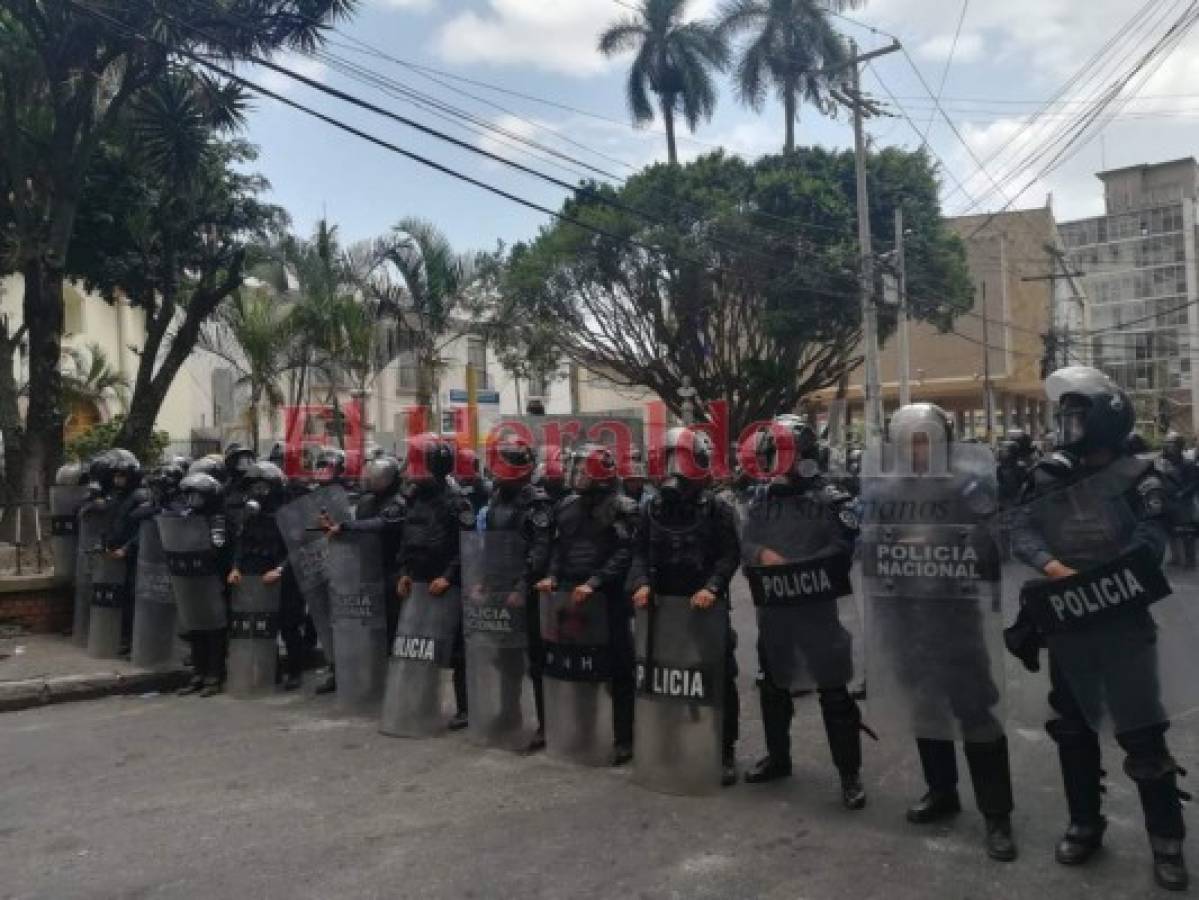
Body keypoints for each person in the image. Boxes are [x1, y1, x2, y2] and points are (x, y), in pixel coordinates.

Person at [1010, 366, 1187, 891]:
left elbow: (1153, 540)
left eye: (1077, 417)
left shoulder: (1141, 477)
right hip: (1068, 624)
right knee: (1073, 730)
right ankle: (1085, 824)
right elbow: (1020, 527)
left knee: (1142, 734)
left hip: (1123, 624)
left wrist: (1107, 574)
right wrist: (1051, 566)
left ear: (1105, 421)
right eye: (1064, 417)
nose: (1068, 426)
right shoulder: (1050, 475)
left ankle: (1166, 841)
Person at [739, 415, 867, 810]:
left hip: (817, 610)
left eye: (780, 454)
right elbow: (747, 542)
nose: (774, 462)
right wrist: (762, 554)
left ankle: (849, 776)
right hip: (775, 609)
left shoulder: (831, 498)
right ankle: (779, 758)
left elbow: (842, 547)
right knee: (773, 688)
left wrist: (798, 566)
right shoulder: (761, 499)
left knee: (833, 692)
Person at [629, 426, 740, 785]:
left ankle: (723, 750)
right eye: (670, 459)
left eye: (683, 460)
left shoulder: (717, 507)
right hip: (663, 606)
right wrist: (642, 582)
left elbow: (729, 555)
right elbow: (638, 553)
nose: (675, 469)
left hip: (704, 607)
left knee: (717, 677)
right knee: (665, 676)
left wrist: (713, 586)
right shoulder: (652, 508)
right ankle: (668, 742)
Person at [536, 443, 640, 766]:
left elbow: (625, 552)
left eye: (582, 469)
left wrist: (595, 582)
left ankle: (624, 738)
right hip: (572, 597)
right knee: (577, 666)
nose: (575, 475)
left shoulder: (623, 507)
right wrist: (552, 576)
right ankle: (583, 730)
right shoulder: (566, 507)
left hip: (608, 600)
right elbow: (559, 548)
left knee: (619, 670)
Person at [479, 437, 554, 750]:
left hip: (527, 590)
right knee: (504, 655)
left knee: (535, 657)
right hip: (499, 586)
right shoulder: (497, 497)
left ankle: (546, 725)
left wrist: (522, 585)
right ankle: (510, 712)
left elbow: (540, 550)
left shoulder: (536, 501)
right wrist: (482, 579)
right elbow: (492, 545)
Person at [397, 434, 474, 730]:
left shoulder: (457, 501)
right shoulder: (415, 497)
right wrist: (404, 570)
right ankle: (419, 701)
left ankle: (464, 707)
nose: (413, 472)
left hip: (446, 585)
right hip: (417, 582)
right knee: (417, 646)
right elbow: (407, 538)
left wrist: (448, 576)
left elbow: (466, 546)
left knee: (456, 650)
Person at [321, 456, 406, 646]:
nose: (372, 480)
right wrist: (335, 527)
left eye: (377, 477)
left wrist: (345, 527)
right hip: (367, 568)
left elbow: (382, 524)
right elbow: (359, 528)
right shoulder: (366, 502)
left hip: (392, 567)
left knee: (391, 622)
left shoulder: (399, 502)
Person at [227, 461, 294, 687]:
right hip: (254, 575)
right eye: (254, 486)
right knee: (258, 624)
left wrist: (279, 570)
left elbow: (295, 549)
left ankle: (294, 671)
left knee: (288, 623)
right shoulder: (250, 514)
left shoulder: (286, 514)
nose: (258, 492)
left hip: (279, 574)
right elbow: (240, 543)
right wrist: (236, 567)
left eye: (263, 487)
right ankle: (266, 670)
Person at [173, 472, 232, 697]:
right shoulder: (188, 516)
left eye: (196, 496)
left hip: (213, 578)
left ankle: (214, 676)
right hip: (192, 578)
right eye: (189, 496)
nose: (191, 501)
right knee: (195, 627)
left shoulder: (218, 519)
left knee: (215, 631)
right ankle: (198, 674)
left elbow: (217, 549)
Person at [99, 449, 147, 654]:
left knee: (131, 597)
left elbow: (142, 530)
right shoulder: (116, 496)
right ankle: (123, 637)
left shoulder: (139, 497)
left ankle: (131, 639)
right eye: (116, 475)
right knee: (119, 597)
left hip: (132, 556)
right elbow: (111, 523)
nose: (118, 479)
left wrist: (127, 549)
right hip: (114, 552)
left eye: (122, 476)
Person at [1157, 431, 1197, 570]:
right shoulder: (1163, 463)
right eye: (1166, 444)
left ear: (1179, 446)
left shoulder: (1188, 464)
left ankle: (1191, 560)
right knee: (1171, 531)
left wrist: (1182, 493)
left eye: (1171, 444)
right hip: (1168, 501)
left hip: (1183, 503)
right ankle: (1176, 557)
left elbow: (1193, 483)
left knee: (1187, 532)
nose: (1168, 447)